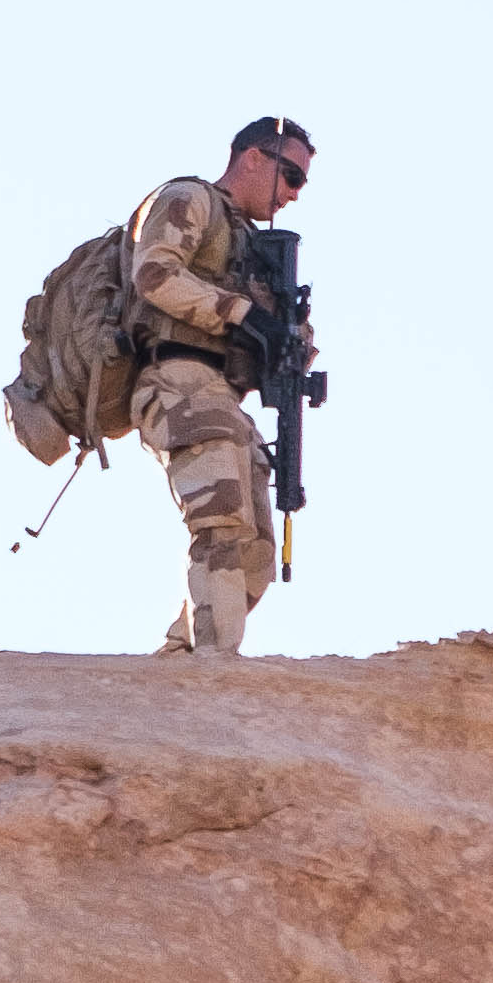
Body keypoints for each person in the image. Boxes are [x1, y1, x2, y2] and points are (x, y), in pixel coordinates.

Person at [120, 116, 312, 656]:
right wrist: (242, 312)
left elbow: (263, 328)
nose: (294, 194)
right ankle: (213, 667)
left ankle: (181, 659)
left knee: (255, 555)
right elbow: (154, 274)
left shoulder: (253, 245)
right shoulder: (190, 199)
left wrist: (289, 339)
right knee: (222, 529)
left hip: (223, 397)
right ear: (253, 158)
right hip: (177, 379)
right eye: (290, 175)